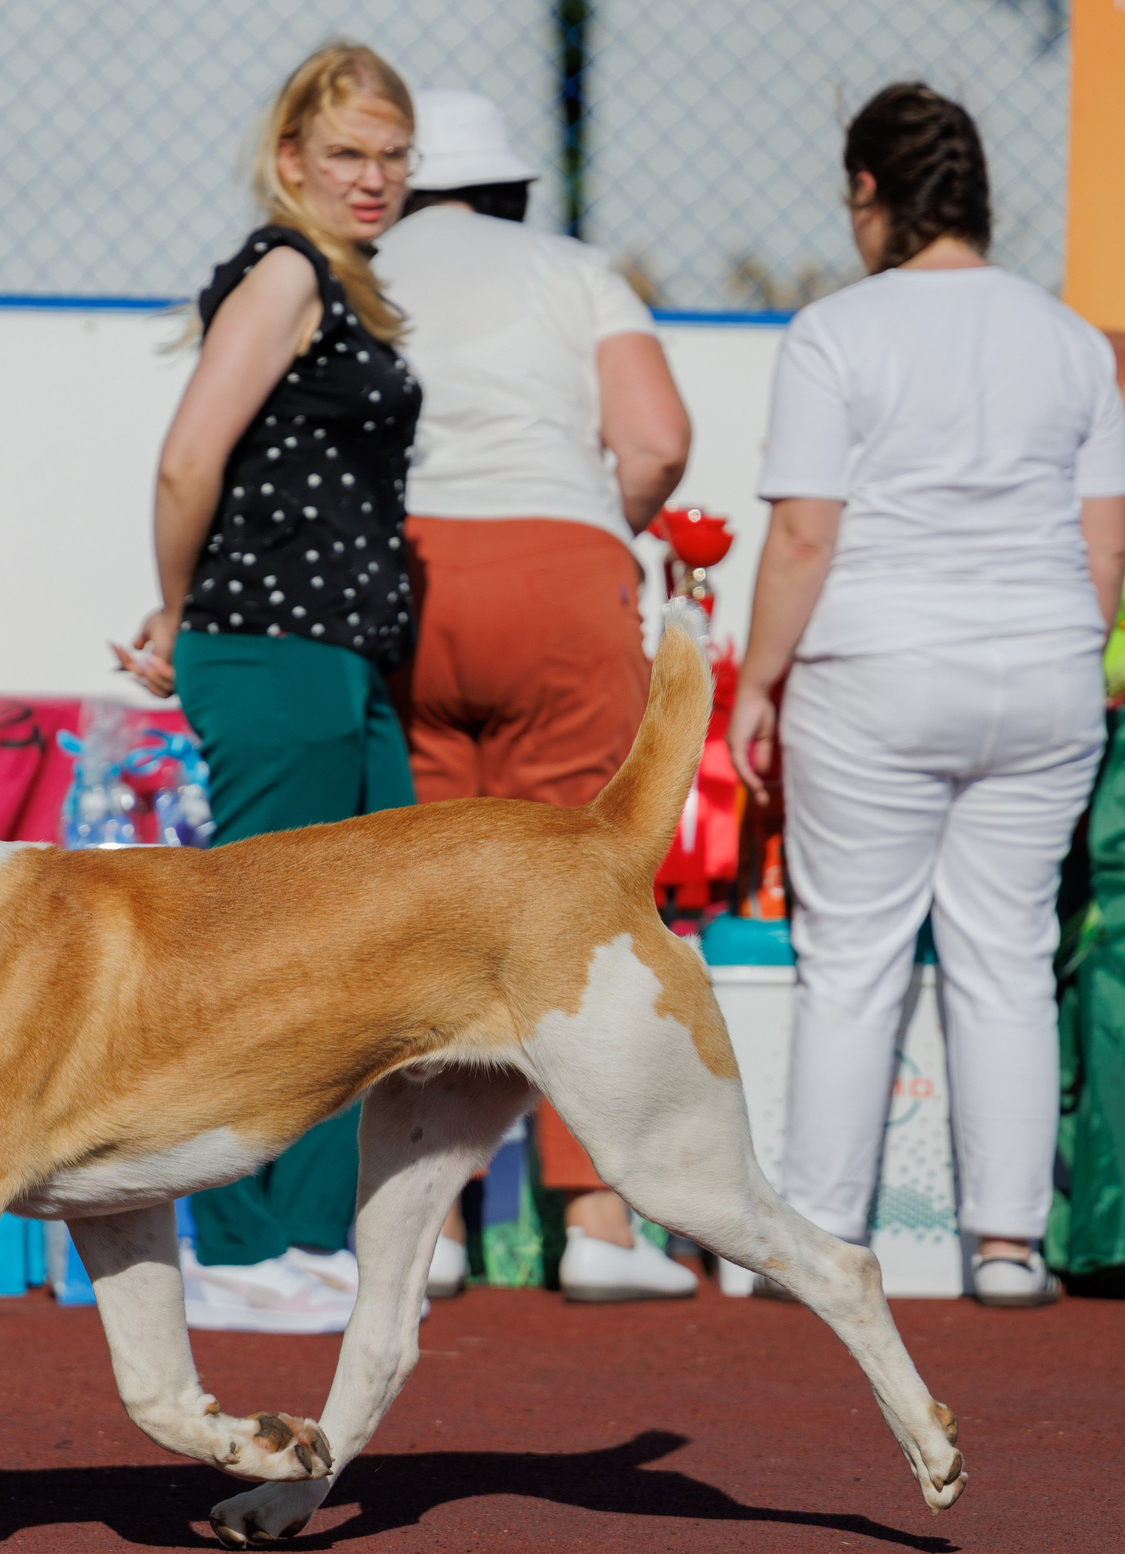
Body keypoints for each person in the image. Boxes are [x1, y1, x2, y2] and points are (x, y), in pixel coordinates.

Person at [727, 84, 1125, 1308]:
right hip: (1048, 668)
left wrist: (755, 683)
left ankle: (820, 1241)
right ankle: (1004, 1247)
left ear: (868, 192)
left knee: (851, 956)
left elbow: (803, 535)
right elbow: (1103, 545)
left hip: (877, 670)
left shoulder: (838, 332)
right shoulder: (1069, 339)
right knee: (1005, 955)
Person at [113, 42, 422, 1330]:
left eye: (392, 156)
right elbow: (190, 458)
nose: (372, 178)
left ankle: (303, 1228)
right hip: (274, 651)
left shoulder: (346, 283)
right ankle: (236, 1243)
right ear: (290, 159)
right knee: (268, 955)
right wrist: (181, 615)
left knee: (369, 955)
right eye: (345, 153)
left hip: (338, 658)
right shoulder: (287, 268)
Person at [373, 89, 698, 1303]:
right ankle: (603, 1220)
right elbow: (655, 440)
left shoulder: (352, 264)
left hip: (401, 586)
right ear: (510, 188)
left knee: (418, 909)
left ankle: (431, 1229)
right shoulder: (574, 271)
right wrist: (590, 533)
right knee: (585, 896)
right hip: (563, 578)